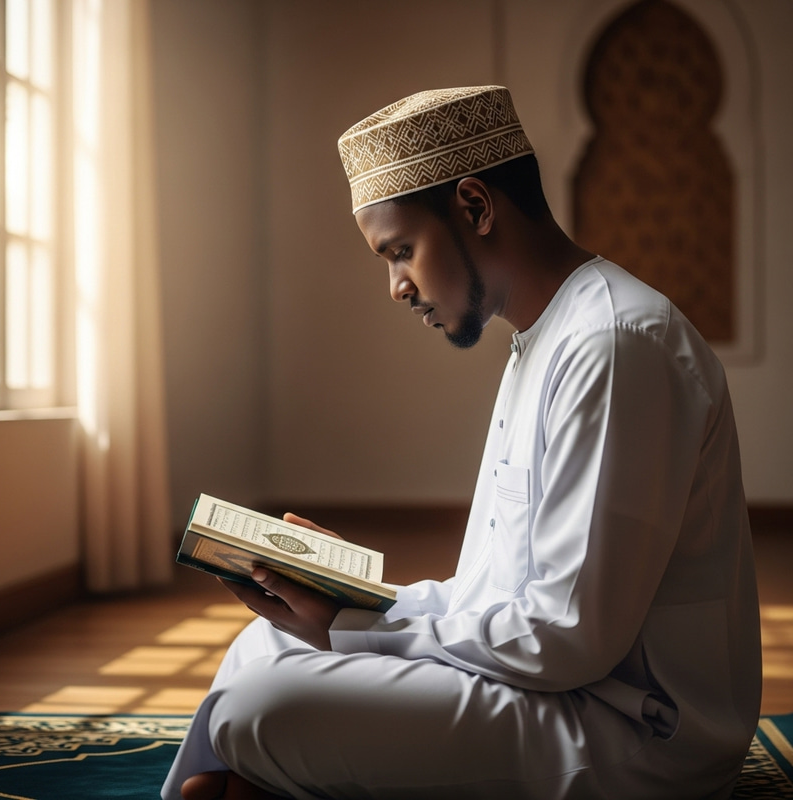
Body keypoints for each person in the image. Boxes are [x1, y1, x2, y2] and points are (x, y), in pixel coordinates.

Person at [162, 85, 762, 800]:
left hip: (627, 730)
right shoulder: (548, 337)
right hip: (558, 685)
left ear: (475, 208)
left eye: (401, 251)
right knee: (267, 645)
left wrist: (357, 625)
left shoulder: (614, 343)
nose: (396, 287)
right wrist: (355, 599)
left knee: (264, 706)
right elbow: (500, 595)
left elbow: (567, 637)